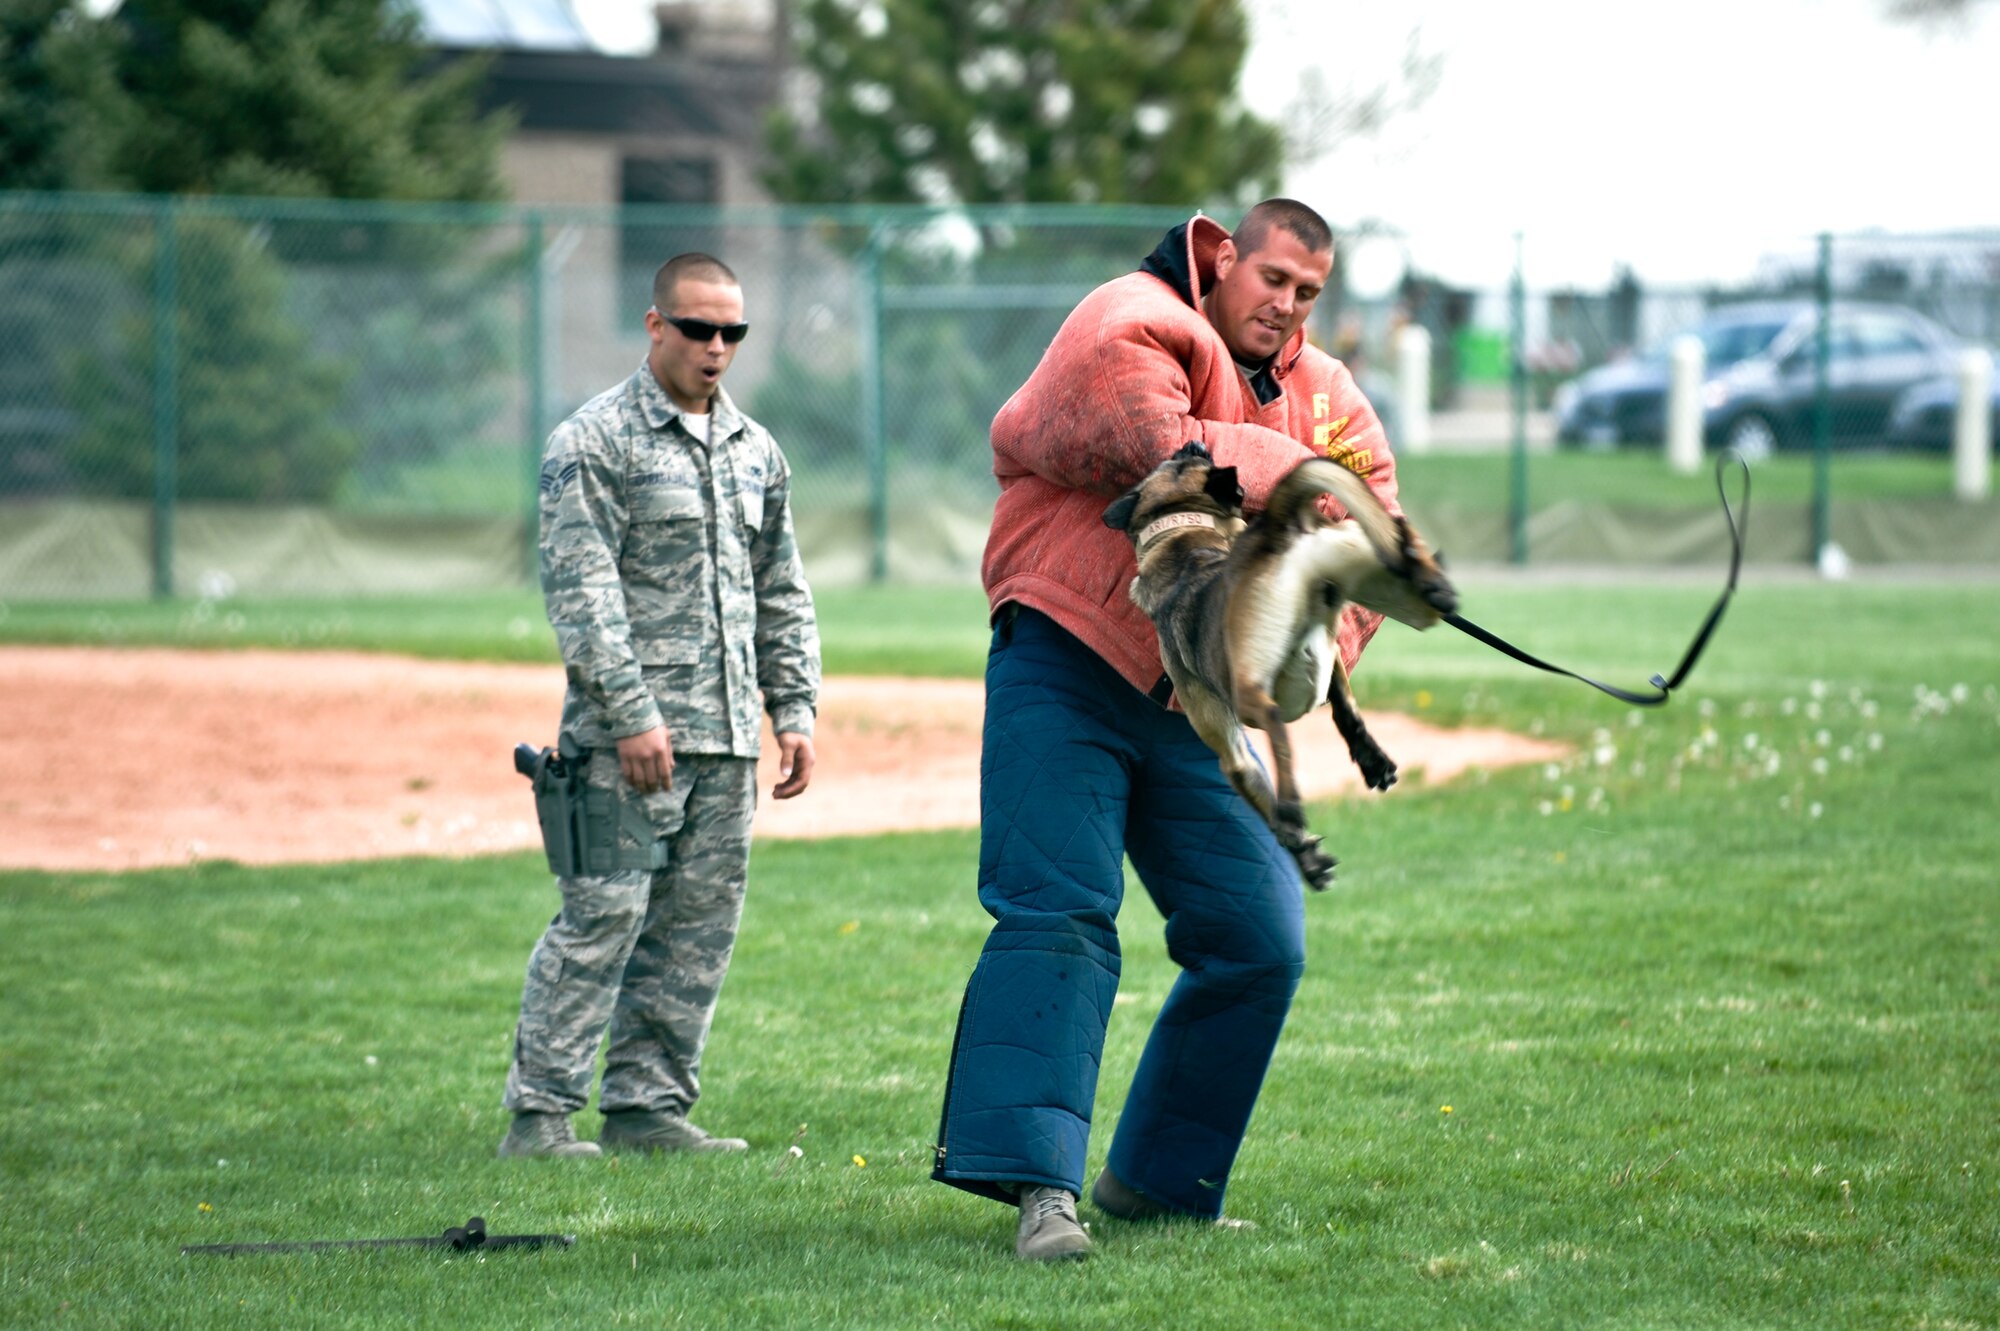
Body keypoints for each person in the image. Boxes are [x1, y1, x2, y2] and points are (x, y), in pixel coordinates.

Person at [930, 200, 1404, 1258]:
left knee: (1256, 941)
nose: (1285, 306)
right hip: (1066, 656)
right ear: (1223, 257)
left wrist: (1326, 647)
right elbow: (1146, 439)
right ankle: (1039, 1192)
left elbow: (1372, 519)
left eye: (1307, 294)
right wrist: (1299, 485)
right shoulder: (1132, 314)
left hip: (1196, 706)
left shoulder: (1325, 396)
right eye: (1272, 279)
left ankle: (1158, 1182)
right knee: (1057, 911)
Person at [497, 252, 821, 1159]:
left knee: (693, 933)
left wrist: (793, 706)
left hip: (726, 743)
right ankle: (541, 1113)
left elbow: (780, 588)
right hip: (621, 743)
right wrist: (632, 714)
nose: (717, 348)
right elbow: (582, 589)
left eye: (733, 332)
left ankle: (647, 1110)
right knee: (600, 919)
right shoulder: (594, 441)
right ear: (655, 326)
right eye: (698, 329)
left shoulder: (758, 452)